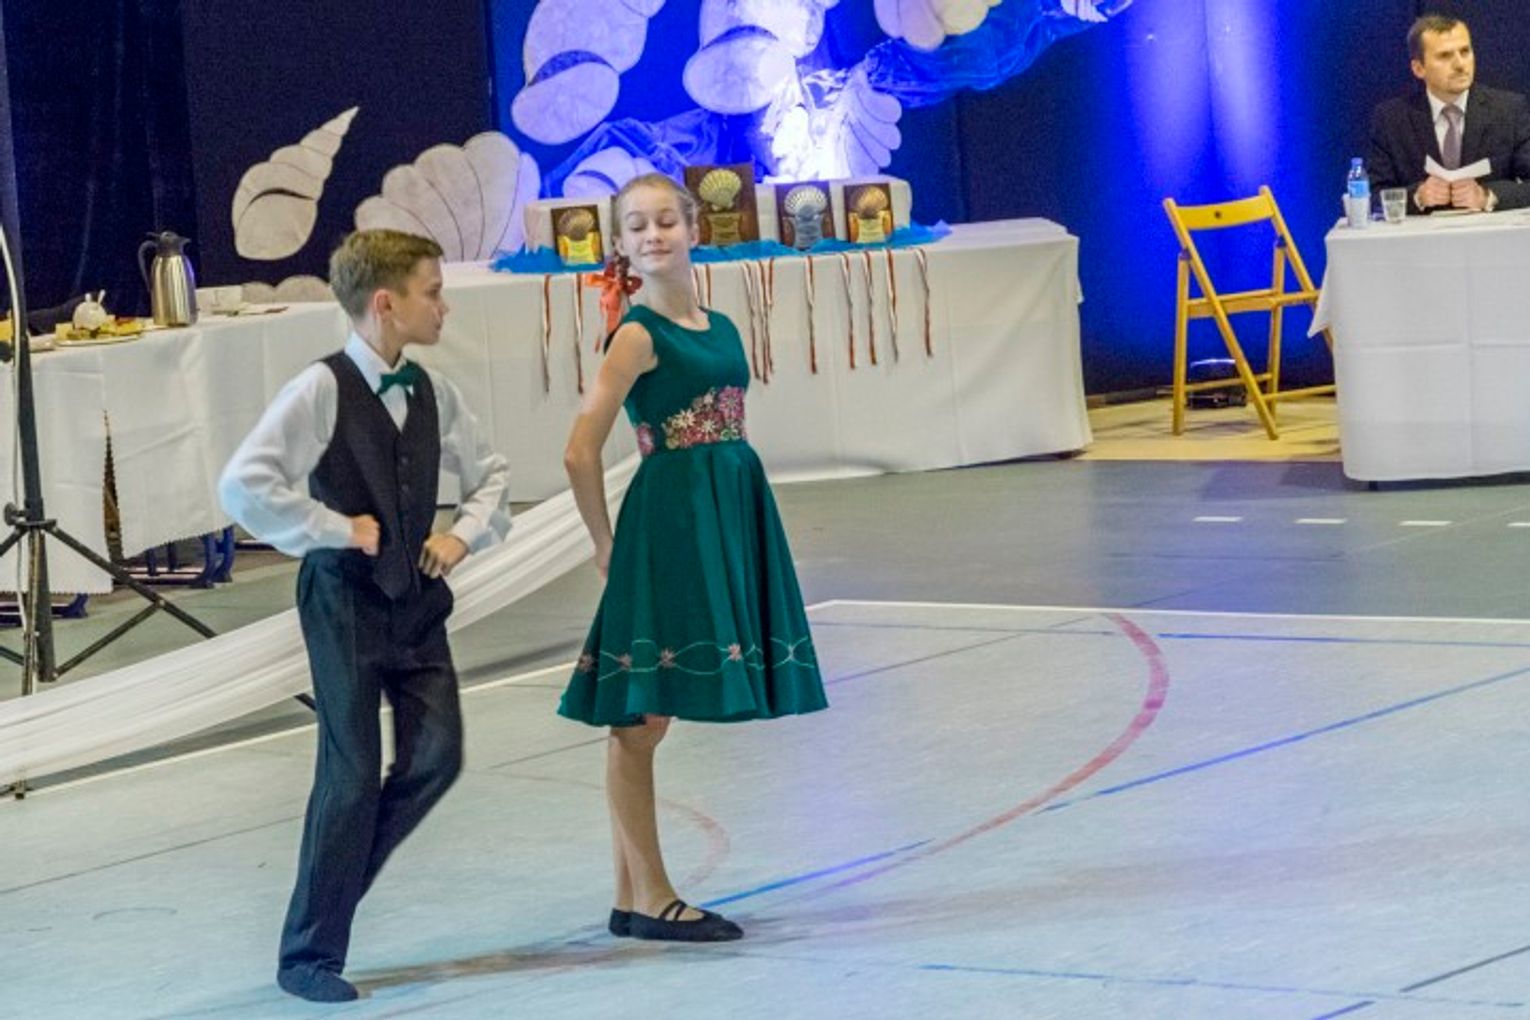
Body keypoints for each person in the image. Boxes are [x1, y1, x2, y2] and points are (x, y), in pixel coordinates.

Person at [219, 229, 510, 1002]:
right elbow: (244, 484)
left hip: (416, 603)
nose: (444, 306)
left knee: (436, 758)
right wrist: (333, 527)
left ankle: (334, 890)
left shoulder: (434, 391)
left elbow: (491, 475)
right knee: (348, 777)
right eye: (433, 292)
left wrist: (462, 533)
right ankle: (307, 955)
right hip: (343, 602)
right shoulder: (319, 389)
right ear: (387, 303)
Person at [558, 173, 828, 942]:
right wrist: (606, 545)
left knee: (644, 713)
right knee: (642, 715)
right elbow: (579, 451)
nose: (654, 235)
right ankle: (651, 898)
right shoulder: (636, 335)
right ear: (621, 243)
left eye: (666, 221)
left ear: (694, 229)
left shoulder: (723, 326)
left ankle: (630, 894)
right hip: (672, 523)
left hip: (725, 509)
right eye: (637, 225)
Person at [1367, 14, 1530, 214]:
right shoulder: (1391, 119)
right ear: (1419, 68)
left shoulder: (1509, 110)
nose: (1460, 64)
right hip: (1420, 233)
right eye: (1445, 56)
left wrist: (1486, 196)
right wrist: (1418, 196)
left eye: (1465, 51)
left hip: (1490, 232)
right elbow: (1372, 195)